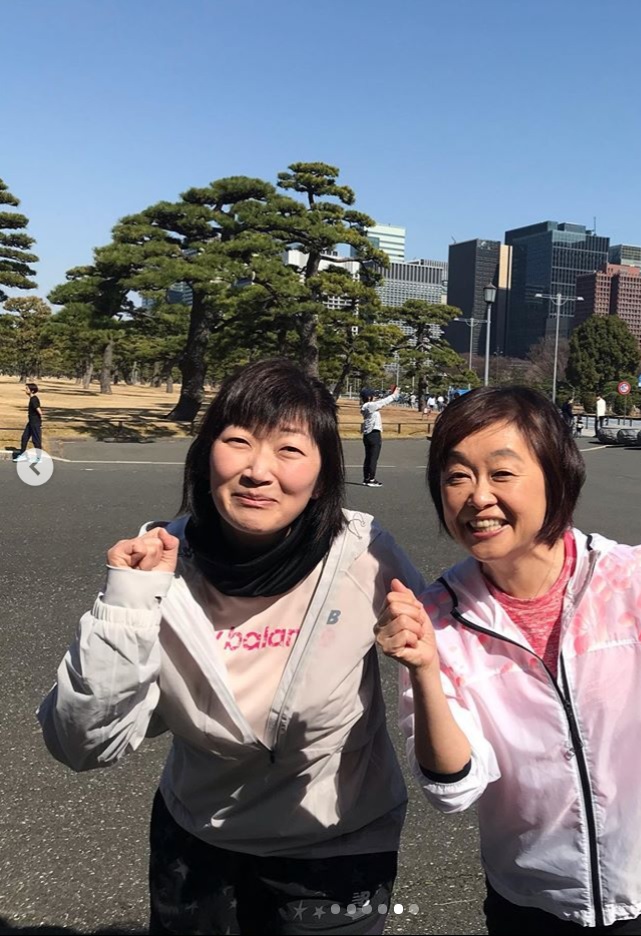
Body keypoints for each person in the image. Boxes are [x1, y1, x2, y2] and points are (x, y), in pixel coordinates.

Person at [38, 359, 424, 936]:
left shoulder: (366, 553)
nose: (257, 471)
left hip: (336, 844)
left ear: (323, 473)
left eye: (289, 450)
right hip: (196, 836)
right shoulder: (161, 561)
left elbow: (461, 649)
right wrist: (129, 597)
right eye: (237, 441)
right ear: (205, 454)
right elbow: (81, 743)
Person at [376, 386, 641, 935]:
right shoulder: (440, 619)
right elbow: (453, 788)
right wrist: (424, 669)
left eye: (502, 474)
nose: (477, 497)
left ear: (557, 476)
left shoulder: (634, 578)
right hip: (533, 898)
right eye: (457, 476)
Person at [360, 385, 400, 488]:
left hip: (368, 435)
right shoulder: (370, 405)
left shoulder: (366, 406)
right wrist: (394, 395)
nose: (375, 397)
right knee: (373, 458)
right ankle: (371, 479)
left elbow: (380, 401)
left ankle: (366, 478)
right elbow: (383, 402)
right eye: (373, 395)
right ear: (369, 397)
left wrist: (392, 394)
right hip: (374, 434)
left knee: (368, 457)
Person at [13, 382, 43, 462]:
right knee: (24, 437)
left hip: (35, 423)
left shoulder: (34, 399)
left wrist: (38, 422)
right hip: (31, 422)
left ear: (32, 391)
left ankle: (39, 458)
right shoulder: (32, 399)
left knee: (36, 439)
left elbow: (39, 411)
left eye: (27, 388)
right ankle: (23, 455)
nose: (25, 390)